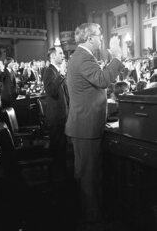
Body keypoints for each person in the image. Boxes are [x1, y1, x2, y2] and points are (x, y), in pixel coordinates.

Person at [65, 23, 124, 227]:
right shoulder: (82, 57)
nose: (101, 39)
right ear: (90, 38)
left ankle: (92, 214)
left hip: (87, 125)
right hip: (85, 127)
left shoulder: (83, 57)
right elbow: (102, 80)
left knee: (89, 173)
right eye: (99, 35)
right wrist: (117, 56)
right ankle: (92, 219)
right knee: (88, 175)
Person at [43, 46, 69, 181]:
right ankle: (58, 180)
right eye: (60, 53)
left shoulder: (57, 71)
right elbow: (52, 91)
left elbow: (65, 94)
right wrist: (62, 75)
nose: (63, 55)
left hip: (62, 115)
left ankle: (62, 175)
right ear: (53, 56)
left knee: (62, 147)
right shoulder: (49, 71)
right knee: (58, 149)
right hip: (56, 117)